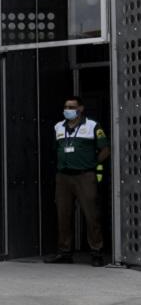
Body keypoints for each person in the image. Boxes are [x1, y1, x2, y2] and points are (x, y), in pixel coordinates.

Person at [44, 95, 111, 267]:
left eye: (72, 107)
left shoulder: (92, 126)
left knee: (91, 214)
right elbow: (55, 149)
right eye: (66, 106)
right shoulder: (58, 127)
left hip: (85, 176)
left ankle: (96, 252)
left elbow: (105, 149)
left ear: (80, 109)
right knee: (63, 215)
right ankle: (64, 252)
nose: (68, 110)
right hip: (63, 177)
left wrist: (92, 163)